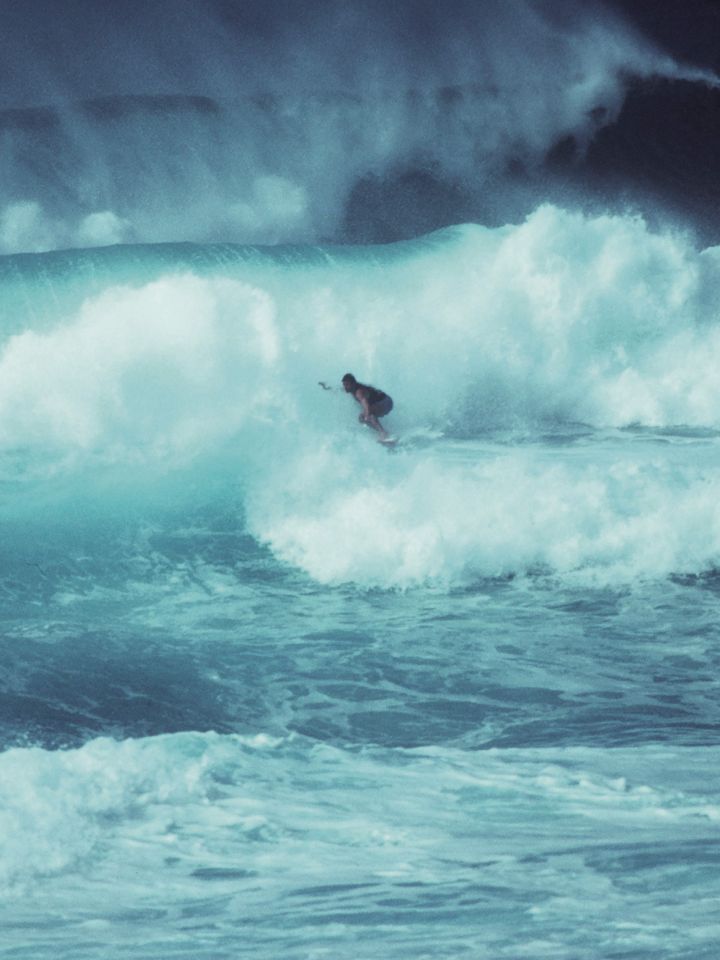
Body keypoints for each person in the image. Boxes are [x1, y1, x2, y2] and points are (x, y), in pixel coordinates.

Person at [342, 373, 393, 440]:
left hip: (386, 402)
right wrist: (327, 388)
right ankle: (381, 432)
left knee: (368, 414)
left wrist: (367, 415)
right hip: (384, 402)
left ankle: (383, 433)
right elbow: (339, 389)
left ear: (353, 383)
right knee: (362, 418)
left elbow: (365, 404)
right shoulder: (350, 389)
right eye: (344, 385)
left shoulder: (359, 392)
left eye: (347, 385)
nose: (345, 387)